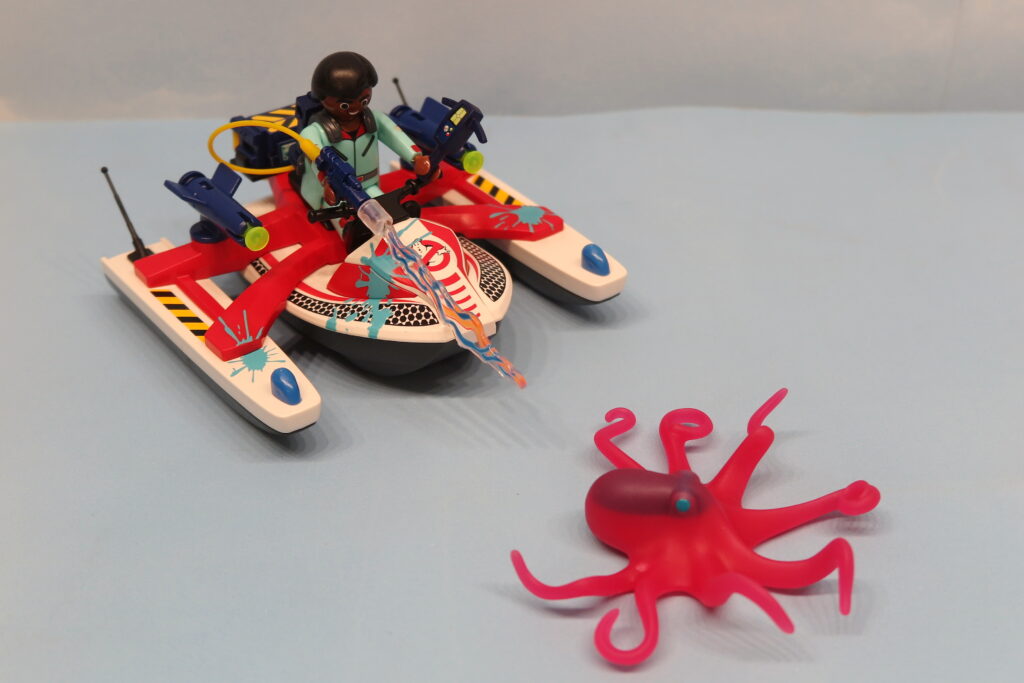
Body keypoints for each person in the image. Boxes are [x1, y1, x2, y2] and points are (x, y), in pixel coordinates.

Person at [298, 51, 432, 210]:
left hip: (370, 185)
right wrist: (327, 182)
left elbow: (395, 135)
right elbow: (317, 159)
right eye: (345, 105)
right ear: (322, 97)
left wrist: (416, 157)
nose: (355, 107)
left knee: (387, 211)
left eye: (363, 100)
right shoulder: (314, 132)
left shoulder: (374, 119)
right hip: (334, 193)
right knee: (345, 221)